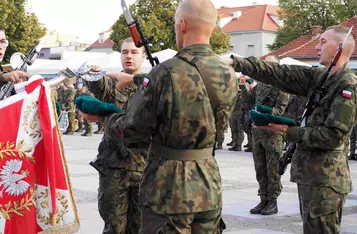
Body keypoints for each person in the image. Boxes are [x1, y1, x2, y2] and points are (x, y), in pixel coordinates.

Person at [82, 0, 237, 232]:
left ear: (182, 24)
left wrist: (103, 119)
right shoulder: (227, 71)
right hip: (208, 181)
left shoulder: (166, 71)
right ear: (213, 28)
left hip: (170, 186)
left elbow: (132, 130)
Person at [229, 26, 356, 233]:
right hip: (312, 177)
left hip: (325, 180)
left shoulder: (346, 85)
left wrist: (288, 131)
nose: (317, 47)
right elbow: (280, 73)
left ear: (340, 48)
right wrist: (238, 62)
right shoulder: (322, 78)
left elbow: (333, 137)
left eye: (323, 42)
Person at [83, 37, 148, 234]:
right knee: (114, 228)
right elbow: (99, 86)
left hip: (145, 167)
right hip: (114, 168)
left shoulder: (153, 84)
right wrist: (94, 76)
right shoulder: (113, 82)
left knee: (141, 227)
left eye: (134, 52)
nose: (129, 56)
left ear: (144, 56)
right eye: (125, 52)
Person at [249, 56, 290, 215]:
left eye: (268, 65)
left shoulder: (281, 86)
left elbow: (280, 110)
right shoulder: (260, 85)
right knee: (260, 168)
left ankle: (272, 201)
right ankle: (263, 199)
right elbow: (250, 103)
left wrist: (262, 113)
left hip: (272, 134)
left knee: (272, 169)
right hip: (257, 132)